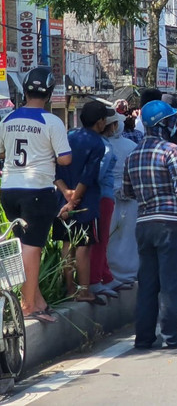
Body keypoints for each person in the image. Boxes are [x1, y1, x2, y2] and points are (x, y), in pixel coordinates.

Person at [124, 100, 177, 349]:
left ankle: (144, 338)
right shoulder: (171, 150)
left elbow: (128, 191)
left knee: (147, 284)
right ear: (163, 123)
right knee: (172, 284)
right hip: (172, 225)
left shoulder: (133, 154)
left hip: (144, 225)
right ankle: (173, 336)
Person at [0, 67, 73, 322]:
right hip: (37, 190)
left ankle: (37, 299)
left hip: (9, 189)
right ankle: (28, 304)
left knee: (21, 245)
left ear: (25, 90)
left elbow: (1, 152)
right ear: (50, 93)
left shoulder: (7, 119)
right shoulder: (51, 121)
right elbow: (65, 159)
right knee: (33, 248)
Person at [57, 100, 110, 304]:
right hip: (85, 203)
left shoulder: (69, 136)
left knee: (67, 244)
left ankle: (69, 288)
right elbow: (88, 177)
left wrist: (66, 196)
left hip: (62, 199)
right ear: (100, 122)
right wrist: (74, 200)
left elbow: (56, 170)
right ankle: (84, 290)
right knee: (83, 247)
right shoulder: (97, 143)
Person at [99, 109, 138, 294]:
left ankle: (108, 275)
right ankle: (128, 274)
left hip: (106, 197)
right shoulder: (130, 145)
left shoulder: (101, 145)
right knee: (128, 238)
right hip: (129, 197)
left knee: (109, 238)